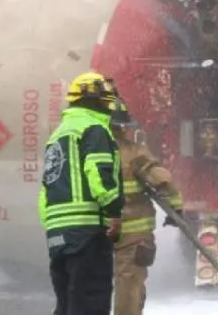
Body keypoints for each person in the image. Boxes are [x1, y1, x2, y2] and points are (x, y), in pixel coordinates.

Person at [40, 71, 125, 315]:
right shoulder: (94, 129)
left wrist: (56, 228)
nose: (110, 105)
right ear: (95, 99)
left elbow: (45, 191)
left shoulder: (58, 135)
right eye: (107, 99)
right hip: (88, 234)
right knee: (90, 303)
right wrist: (114, 212)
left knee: (67, 305)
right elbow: (98, 174)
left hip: (58, 237)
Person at [110, 98, 183, 315]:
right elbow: (161, 180)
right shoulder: (134, 152)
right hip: (131, 232)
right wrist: (176, 206)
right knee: (129, 286)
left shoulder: (80, 153)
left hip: (91, 230)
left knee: (87, 287)